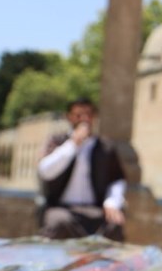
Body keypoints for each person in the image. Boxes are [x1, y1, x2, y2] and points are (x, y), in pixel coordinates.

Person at [36, 98, 126, 241]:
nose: (84, 119)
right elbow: (45, 171)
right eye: (79, 115)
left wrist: (112, 202)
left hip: (94, 210)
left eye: (88, 115)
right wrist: (73, 144)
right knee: (58, 222)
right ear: (70, 117)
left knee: (114, 224)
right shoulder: (58, 141)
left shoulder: (105, 147)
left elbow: (116, 179)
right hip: (62, 208)